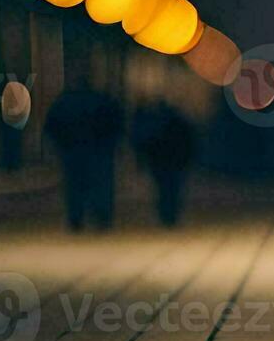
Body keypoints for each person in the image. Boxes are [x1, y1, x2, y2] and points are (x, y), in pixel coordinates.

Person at [44, 79, 122, 231]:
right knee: (100, 184)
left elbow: (52, 125)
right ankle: (101, 216)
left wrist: (59, 145)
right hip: (99, 150)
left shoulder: (64, 102)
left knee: (74, 185)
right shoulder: (102, 101)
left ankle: (76, 218)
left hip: (72, 150)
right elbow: (116, 123)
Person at [131, 101, 196, 226]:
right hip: (175, 163)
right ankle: (171, 215)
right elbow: (190, 143)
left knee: (164, 191)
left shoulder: (157, 126)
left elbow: (149, 145)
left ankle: (166, 215)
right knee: (173, 191)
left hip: (162, 164)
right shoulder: (180, 125)